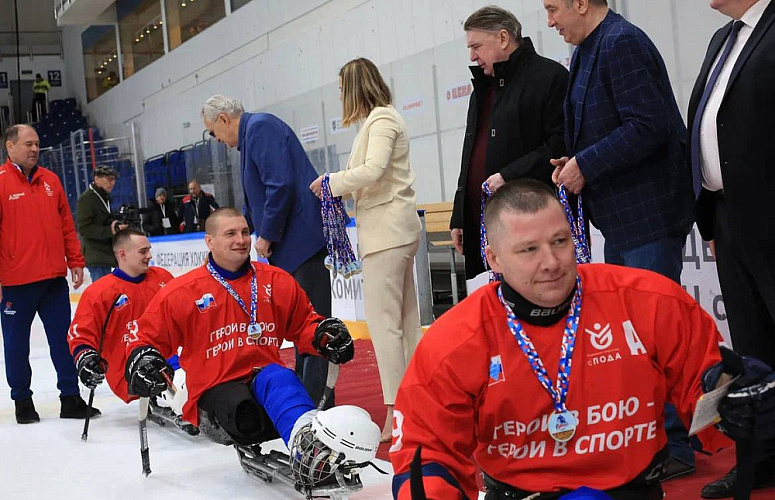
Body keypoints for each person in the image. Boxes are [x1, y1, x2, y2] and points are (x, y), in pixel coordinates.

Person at [389, 179, 775, 500]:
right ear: (494, 259)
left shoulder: (650, 301)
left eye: (560, 241)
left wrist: (733, 396)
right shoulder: (455, 340)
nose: (552, 262)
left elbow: (705, 385)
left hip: (633, 490)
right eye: (529, 249)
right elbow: (427, 452)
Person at [543, 0, 696, 477]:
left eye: (553, 9)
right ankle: (659, 439)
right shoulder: (591, 48)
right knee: (638, 338)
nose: (550, 22)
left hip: (648, 215)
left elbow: (649, 125)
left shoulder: (622, 43)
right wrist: (574, 163)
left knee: (655, 336)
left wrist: (586, 165)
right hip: (624, 220)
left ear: (581, 3)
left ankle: (676, 446)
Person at [123, 208, 355, 454]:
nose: (241, 240)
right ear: (209, 241)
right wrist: (143, 360)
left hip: (265, 379)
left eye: (245, 232)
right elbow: (145, 337)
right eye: (231, 234)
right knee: (243, 409)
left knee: (282, 379)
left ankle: (310, 451)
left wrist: (323, 336)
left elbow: (303, 324)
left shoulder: (276, 280)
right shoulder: (183, 291)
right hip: (216, 390)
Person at [309, 58, 422, 442]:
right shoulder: (378, 120)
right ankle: (414, 403)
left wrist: (331, 182)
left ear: (356, 87)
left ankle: (396, 410)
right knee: (405, 323)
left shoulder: (382, 120)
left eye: (343, 89)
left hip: (388, 234)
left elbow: (373, 170)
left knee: (386, 326)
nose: (340, 96)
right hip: (393, 232)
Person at [688, 0, 775, 496]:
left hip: (768, 211)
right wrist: (709, 219)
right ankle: (761, 460)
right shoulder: (723, 39)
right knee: (752, 347)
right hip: (727, 215)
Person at [200, 95, 333, 410]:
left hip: (300, 243)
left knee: (312, 323)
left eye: (213, 132)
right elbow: (260, 195)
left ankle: (317, 402)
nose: (217, 140)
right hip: (293, 246)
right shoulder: (252, 135)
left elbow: (279, 185)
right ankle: (306, 395)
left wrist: (268, 234)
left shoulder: (260, 128)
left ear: (223, 119)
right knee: (301, 323)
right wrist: (241, 230)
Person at [449, 5, 569, 280]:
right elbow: (471, 155)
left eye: (477, 46)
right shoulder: (482, 89)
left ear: (503, 38)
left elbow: (559, 145)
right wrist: (460, 216)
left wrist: (509, 176)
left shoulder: (549, 78)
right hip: (485, 223)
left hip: (529, 222)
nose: (472, 56)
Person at [0, 124, 97, 424]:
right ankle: (22, 402)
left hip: (53, 281)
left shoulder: (51, 180)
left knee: (63, 342)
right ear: (10, 147)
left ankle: (71, 398)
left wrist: (75, 260)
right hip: (15, 284)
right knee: (16, 347)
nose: (34, 149)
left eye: (37, 144)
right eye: (28, 144)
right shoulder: (0, 182)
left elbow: (67, 226)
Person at [67, 228, 173, 404]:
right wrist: (86, 359)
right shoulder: (99, 292)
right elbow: (80, 334)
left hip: (170, 356)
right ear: (123, 254)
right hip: (129, 368)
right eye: (143, 251)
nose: (149, 256)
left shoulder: (162, 277)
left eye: (149, 250)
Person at [76, 165, 125, 282]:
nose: (112, 183)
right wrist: (109, 230)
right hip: (96, 255)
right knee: (102, 290)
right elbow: (84, 229)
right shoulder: (86, 199)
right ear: (97, 179)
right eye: (109, 179)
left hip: (106, 254)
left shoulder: (104, 197)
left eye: (113, 180)